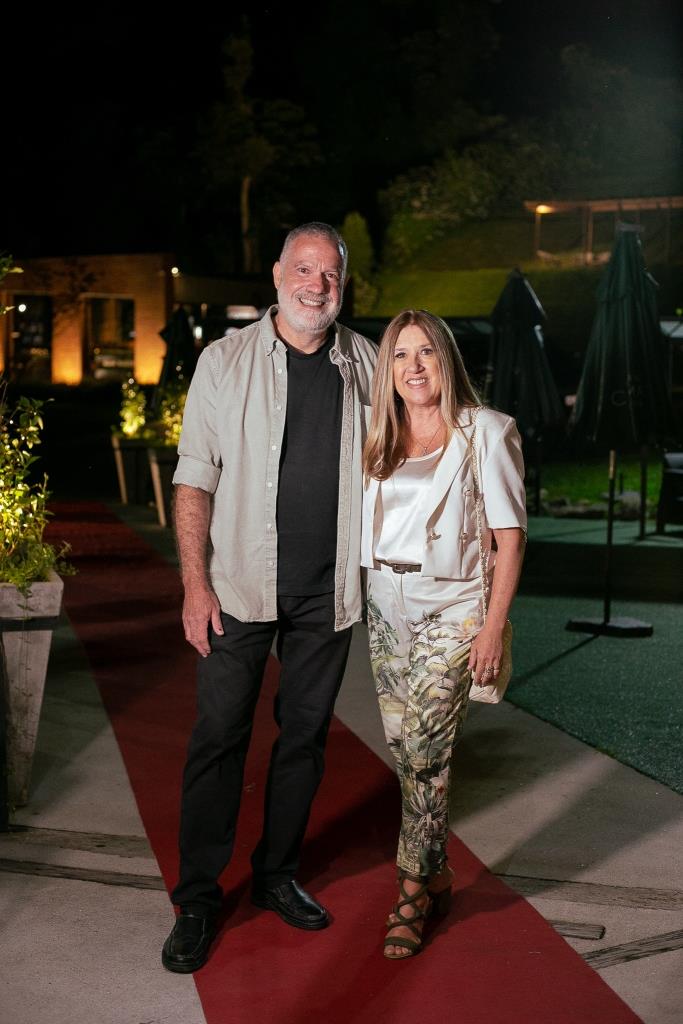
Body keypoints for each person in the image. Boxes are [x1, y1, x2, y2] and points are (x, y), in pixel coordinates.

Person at [162, 222, 377, 973]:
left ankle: (276, 874)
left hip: (328, 593)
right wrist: (194, 583)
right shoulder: (223, 362)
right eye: (305, 270)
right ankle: (197, 899)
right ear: (279, 275)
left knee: (304, 739)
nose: (317, 286)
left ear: (342, 286)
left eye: (331, 274)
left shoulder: (368, 362)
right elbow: (194, 476)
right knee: (219, 737)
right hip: (236, 588)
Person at [361, 309, 526, 959]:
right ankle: (436, 872)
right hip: (385, 606)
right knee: (404, 752)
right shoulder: (377, 434)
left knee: (426, 750)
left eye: (426, 352)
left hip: (452, 608)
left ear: (446, 359)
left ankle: (409, 894)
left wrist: (492, 627)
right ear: (388, 369)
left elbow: (509, 540)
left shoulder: (486, 431)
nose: (414, 366)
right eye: (401, 355)